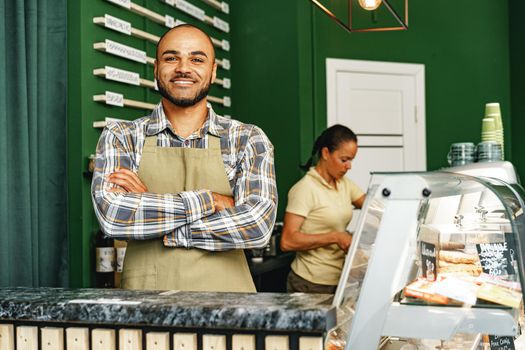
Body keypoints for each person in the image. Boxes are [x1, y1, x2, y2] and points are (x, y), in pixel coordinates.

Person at [91, 24, 277, 293]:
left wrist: (154, 211)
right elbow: (114, 217)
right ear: (156, 68)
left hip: (230, 306)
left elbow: (257, 226)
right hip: (145, 307)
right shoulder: (121, 135)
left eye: (197, 59)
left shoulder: (247, 138)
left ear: (212, 71)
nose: (183, 68)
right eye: (171, 58)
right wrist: (212, 201)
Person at [280, 125, 365, 293]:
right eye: (344, 160)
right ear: (326, 153)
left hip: (340, 280)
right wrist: (336, 237)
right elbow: (287, 241)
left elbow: (373, 207)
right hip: (310, 283)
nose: (349, 166)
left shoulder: (344, 184)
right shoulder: (305, 189)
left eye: (351, 160)